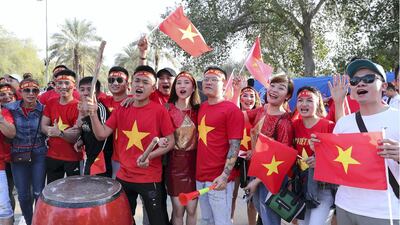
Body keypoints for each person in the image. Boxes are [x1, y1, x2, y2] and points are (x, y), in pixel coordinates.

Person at [311, 59, 399, 224]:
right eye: (355, 81)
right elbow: (335, 162)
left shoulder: (397, 117)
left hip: (385, 211)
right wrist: (319, 151)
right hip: (345, 206)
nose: (360, 84)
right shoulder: (344, 123)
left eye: (368, 79)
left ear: (384, 87)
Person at [88, 65, 175, 225]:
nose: (140, 85)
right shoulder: (122, 109)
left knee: (158, 221)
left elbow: (170, 142)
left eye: (145, 82)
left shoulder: (159, 111)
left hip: (150, 177)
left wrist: (150, 155)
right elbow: (101, 134)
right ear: (131, 84)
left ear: (153, 88)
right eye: (137, 81)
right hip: (124, 176)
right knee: (124, 219)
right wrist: (93, 114)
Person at [196, 66, 244, 225]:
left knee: (221, 221)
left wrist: (224, 175)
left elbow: (235, 145)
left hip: (219, 178)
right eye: (206, 79)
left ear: (224, 85)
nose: (208, 82)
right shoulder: (202, 107)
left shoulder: (231, 110)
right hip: (200, 176)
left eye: (214, 79)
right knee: (206, 220)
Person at [244, 74, 294, 225]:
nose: (274, 90)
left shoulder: (284, 121)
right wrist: (235, 92)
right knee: (262, 213)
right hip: (256, 172)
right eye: (272, 85)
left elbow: (282, 158)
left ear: (288, 96)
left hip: (270, 178)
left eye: (281, 88)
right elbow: (237, 116)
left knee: (269, 219)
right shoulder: (261, 111)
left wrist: (256, 182)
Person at [293, 86, 336, 225]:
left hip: (323, 189)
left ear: (318, 103)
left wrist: (321, 161)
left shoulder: (329, 126)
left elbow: (340, 155)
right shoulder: (292, 125)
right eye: (300, 100)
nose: (304, 104)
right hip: (301, 188)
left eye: (309, 100)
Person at [6, 78, 47, 225]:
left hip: (39, 153)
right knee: (23, 195)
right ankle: (30, 221)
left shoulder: (44, 109)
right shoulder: (10, 108)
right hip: (17, 155)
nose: (31, 93)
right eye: (27, 90)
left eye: (35, 90)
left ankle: (39, 221)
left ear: (38, 92)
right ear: (20, 92)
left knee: (38, 193)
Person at [165, 71, 200, 225]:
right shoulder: (167, 109)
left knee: (192, 209)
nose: (182, 86)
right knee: (178, 210)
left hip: (194, 164)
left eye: (186, 83)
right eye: (179, 82)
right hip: (174, 164)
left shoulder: (200, 110)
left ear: (193, 88)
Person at [41, 69, 81, 184]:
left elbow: (75, 136)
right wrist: (52, 131)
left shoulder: (78, 107)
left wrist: (58, 133)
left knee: (74, 194)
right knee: (53, 192)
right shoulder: (51, 102)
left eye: (67, 83)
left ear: (74, 85)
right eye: (60, 83)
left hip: (73, 158)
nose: (63, 86)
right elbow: (43, 126)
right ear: (55, 85)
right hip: (53, 156)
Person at [231, 84, 261, 225]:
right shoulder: (233, 115)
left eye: (252, 96)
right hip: (234, 162)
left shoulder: (259, 117)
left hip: (252, 164)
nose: (248, 98)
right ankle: (229, 220)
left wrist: (254, 151)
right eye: (245, 95)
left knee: (252, 199)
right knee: (231, 196)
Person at [75, 77, 112, 177]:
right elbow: (86, 130)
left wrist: (93, 114)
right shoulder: (82, 108)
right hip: (89, 156)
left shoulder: (101, 109)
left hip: (101, 159)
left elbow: (103, 137)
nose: (86, 93)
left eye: (89, 89)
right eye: (82, 89)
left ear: (98, 93)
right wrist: (80, 140)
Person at [101, 66, 130, 178]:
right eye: (111, 80)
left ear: (127, 84)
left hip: (128, 156)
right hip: (108, 155)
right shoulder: (103, 101)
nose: (115, 83)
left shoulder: (134, 102)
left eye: (119, 80)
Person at [0, 88, 17, 225]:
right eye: (2, 94)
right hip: (5, 161)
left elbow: (11, 134)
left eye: (10, 94)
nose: (6, 97)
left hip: (12, 161)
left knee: (5, 203)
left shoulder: (7, 112)